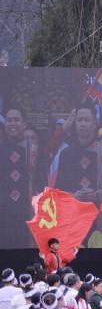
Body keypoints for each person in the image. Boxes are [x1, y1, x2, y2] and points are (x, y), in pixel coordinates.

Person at [53, 103, 102, 205]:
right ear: (75, 123)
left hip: (98, 213)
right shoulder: (66, 153)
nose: (83, 124)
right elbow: (59, 189)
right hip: (73, 212)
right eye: (79, 120)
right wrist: (72, 195)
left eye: (87, 120)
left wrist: (97, 195)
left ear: (94, 124)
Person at [0, 106, 41, 248]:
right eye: (9, 120)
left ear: (24, 124)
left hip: (28, 216)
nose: (12, 124)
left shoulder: (36, 151)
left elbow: (42, 186)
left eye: (16, 120)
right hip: (3, 216)